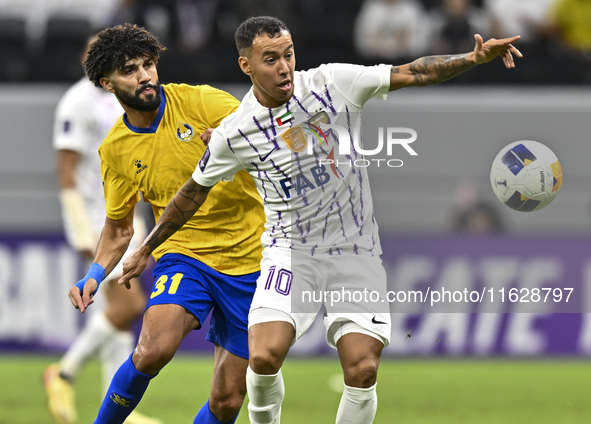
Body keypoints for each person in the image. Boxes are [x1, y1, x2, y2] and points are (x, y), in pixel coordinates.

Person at [115, 16, 522, 424]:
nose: (284, 67)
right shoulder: (235, 132)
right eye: (270, 58)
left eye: (288, 55)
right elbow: (192, 192)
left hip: (355, 250)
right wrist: (146, 248)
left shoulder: (332, 84)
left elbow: (411, 72)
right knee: (263, 355)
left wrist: (472, 58)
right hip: (290, 253)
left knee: (362, 368)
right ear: (247, 66)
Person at [67, 24, 266, 424]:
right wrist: (94, 274)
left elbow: (271, 133)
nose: (144, 76)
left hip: (253, 259)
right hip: (184, 254)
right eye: (129, 69)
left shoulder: (203, 103)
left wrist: (238, 141)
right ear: (107, 83)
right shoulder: (116, 149)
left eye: (148, 64)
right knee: (151, 350)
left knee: (227, 400)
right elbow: (119, 227)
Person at [45, 35, 159, 424]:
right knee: (130, 305)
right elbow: (66, 173)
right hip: (96, 217)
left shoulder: (122, 97)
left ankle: (120, 407)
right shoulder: (77, 101)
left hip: (124, 210)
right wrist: (81, 229)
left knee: (121, 308)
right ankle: (64, 372)